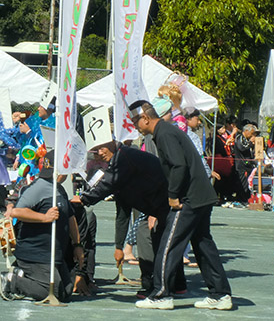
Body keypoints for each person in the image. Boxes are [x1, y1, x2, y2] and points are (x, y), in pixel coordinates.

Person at [129, 100, 232, 311]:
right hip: (201, 196)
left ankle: (161, 294)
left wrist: (173, 196)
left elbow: (178, 165)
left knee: (168, 244)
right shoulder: (167, 131)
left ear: (145, 118)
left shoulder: (164, 133)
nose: (134, 125)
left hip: (189, 199)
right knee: (203, 245)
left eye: (134, 121)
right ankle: (220, 294)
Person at [71, 140, 178, 296]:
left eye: (102, 147)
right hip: (156, 207)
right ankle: (174, 284)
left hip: (170, 202)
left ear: (112, 143)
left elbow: (107, 184)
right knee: (161, 241)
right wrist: (119, 247)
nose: (100, 153)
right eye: (96, 151)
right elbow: (122, 215)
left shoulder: (124, 158)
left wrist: (83, 199)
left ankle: (156, 286)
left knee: (151, 238)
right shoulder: (118, 175)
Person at [0, 153, 84, 302]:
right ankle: (11, 281)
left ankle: (23, 274)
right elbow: (16, 212)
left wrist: (77, 245)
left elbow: (71, 219)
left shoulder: (60, 189)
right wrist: (44, 217)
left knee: (66, 290)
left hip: (53, 254)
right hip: (36, 252)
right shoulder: (39, 187)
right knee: (51, 292)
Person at [232, 123, 257, 204]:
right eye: (251, 133)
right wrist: (250, 143)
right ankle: (242, 199)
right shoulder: (239, 137)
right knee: (243, 183)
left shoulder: (246, 139)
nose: (252, 135)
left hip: (248, 164)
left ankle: (246, 198)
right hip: (241, 164)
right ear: (246, 131)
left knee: (247, 182)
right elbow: (242, 148)